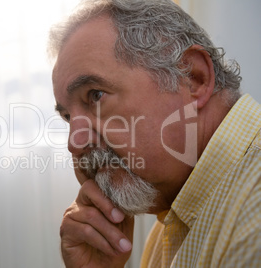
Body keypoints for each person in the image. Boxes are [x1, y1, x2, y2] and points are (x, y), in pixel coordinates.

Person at [48, 0, 261, 267]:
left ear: (193, 77)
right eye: (68, 117)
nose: (74, 144)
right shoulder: (173, 220)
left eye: (96, 95)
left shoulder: (253, 214)